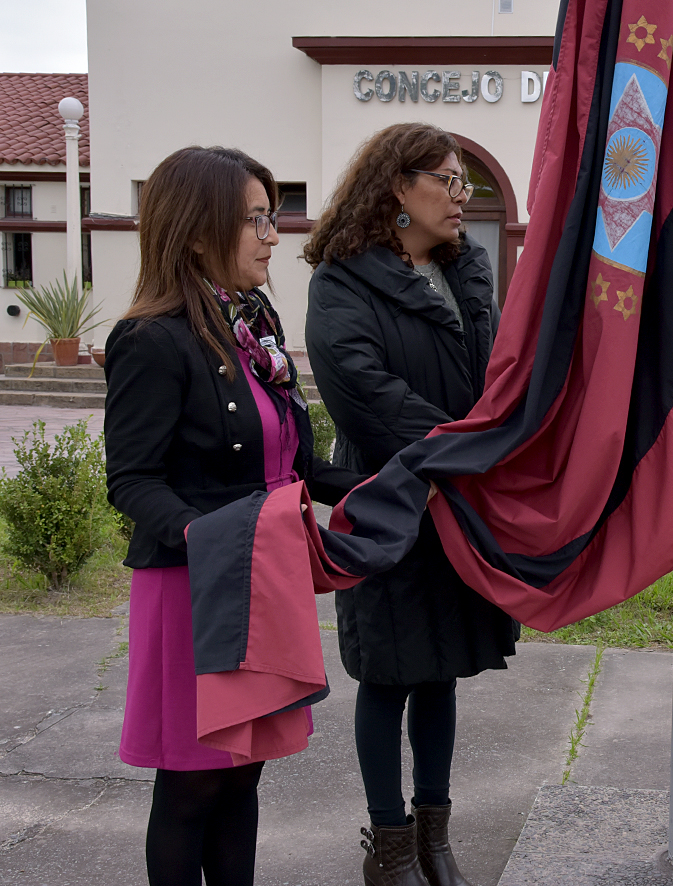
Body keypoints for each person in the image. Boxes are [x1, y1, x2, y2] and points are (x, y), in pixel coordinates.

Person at [105, 146, 358, 886]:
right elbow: (132, 481)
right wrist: (208, 537)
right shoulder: (152, 340)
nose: (272, 235)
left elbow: (298, 468)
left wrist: (396, 484)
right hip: (197, 590)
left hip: (263, 584)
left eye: (270, 216)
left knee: (244, 773)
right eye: (254, 218)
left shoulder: (254, 329)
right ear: (195, 230)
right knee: (193, 781)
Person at [303, 123, 517, 886]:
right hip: (387, 500)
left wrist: (492, 448)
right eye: (450, 181)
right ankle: (389, 847)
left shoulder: (469, 272)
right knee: (387, 674)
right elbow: (363, 395)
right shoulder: (341, 279)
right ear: (399, 187)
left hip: (460, 502)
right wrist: (460, 453)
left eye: (466, 184)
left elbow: (500, 381)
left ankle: (436, 839)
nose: (463, 198)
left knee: (440, 670)